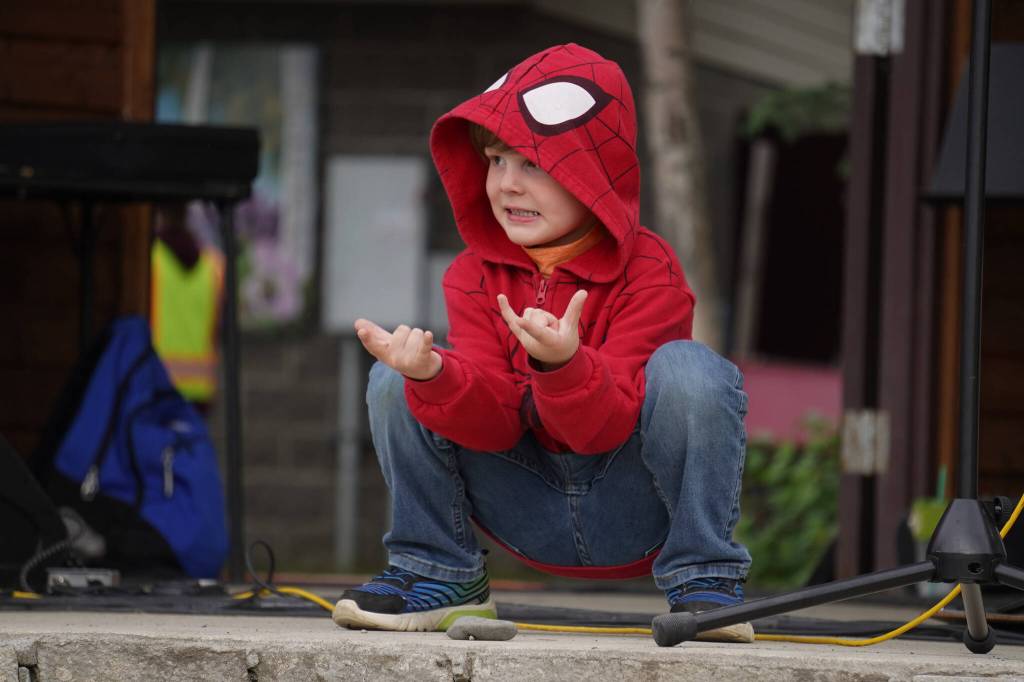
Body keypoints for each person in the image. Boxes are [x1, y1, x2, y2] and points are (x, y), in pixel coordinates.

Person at [333, 43, 752, 641]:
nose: (507, 185)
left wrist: (562, 367)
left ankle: (705, 579)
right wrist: (433, 377)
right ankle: (440, 572)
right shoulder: (471, 274)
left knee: (691, 369)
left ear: (594, 174)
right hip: (523, 507)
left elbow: (601, 430)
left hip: (629, 506)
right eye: (497, 160)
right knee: (395, 378)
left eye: (533, 165)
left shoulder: (650, 269)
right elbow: (496, 424)